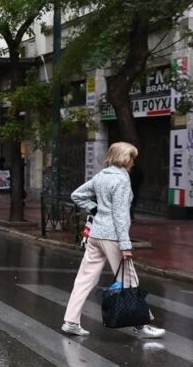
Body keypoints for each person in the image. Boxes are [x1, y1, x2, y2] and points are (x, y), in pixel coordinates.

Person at [63, 142, 164, 338]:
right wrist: (125, 245)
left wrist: (95, 209)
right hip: (112, 237)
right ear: (125, 158)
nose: (133, 162)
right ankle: (142, 325)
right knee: (129, 278)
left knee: (84, 279)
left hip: (96, 234)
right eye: (132, 158)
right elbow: (119, 215)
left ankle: (70, 321)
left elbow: (77, 195)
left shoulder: (102, 176)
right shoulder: (122, 180)